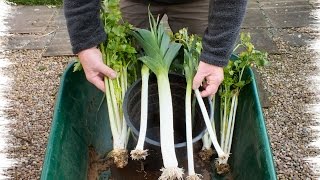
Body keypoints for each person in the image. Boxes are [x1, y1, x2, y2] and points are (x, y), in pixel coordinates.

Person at [63, 0, 247, 97]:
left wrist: (216, 53)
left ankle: (197, 126)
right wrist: (85, 43)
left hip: (195, 2)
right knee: (117, 66)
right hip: (135, 1)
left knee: (205, 75)